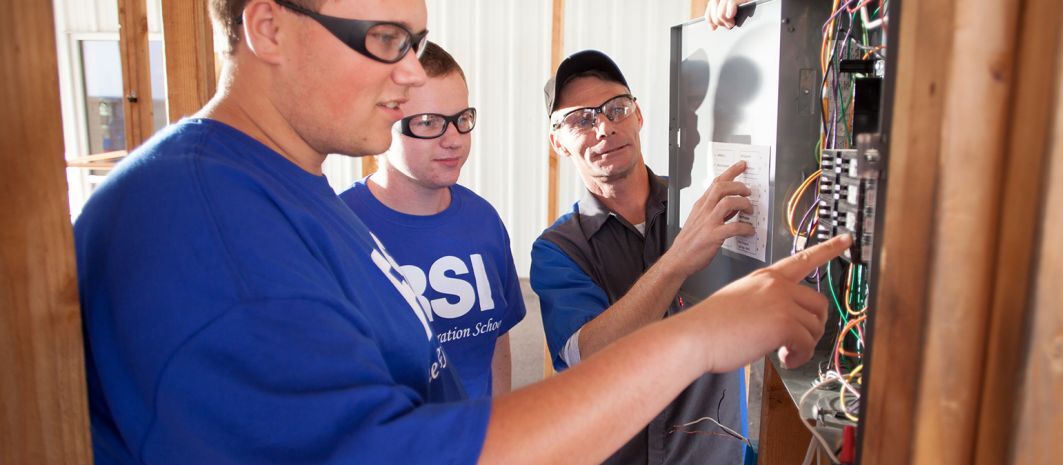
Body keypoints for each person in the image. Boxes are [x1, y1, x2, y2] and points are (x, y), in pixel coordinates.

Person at [73, 0, 850, 463]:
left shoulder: (288, 188)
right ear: (269, 27)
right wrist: (700, 334)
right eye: (385, 38)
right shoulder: (207, 229)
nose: (411, 74)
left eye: (414, 42)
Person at [532, 50, 769, 464]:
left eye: (616, 109)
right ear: (558, 142)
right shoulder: (558, 248)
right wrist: (678, 260)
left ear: (638, 116)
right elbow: (590, 358)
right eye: (580, 120)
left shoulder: (703, 206)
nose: (604, 128)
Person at [340, 42, 523, 398]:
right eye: (429, 123)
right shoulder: (341, 227)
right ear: (384, 120)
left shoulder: (483, 220)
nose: (453, 139)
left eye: (462, 120)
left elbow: (498, 342)